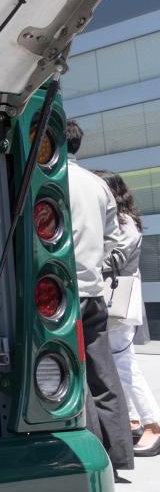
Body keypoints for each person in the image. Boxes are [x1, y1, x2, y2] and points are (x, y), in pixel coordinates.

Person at [66, 120, 134, 474]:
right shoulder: (97, 184)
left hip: (61, 292)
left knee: (72, 374)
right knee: (103, 374)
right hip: (92, 290)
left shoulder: (46, 179)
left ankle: (91, 458)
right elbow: (113, 237)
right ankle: (120, 452)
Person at [93, 170, 160, 456]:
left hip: (118, 300)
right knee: (117, 364)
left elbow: (115, 259)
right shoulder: (120, 221)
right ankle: (133, 421)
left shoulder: (125, 224)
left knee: (124, 365)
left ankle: (153, 426)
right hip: (113, 301)